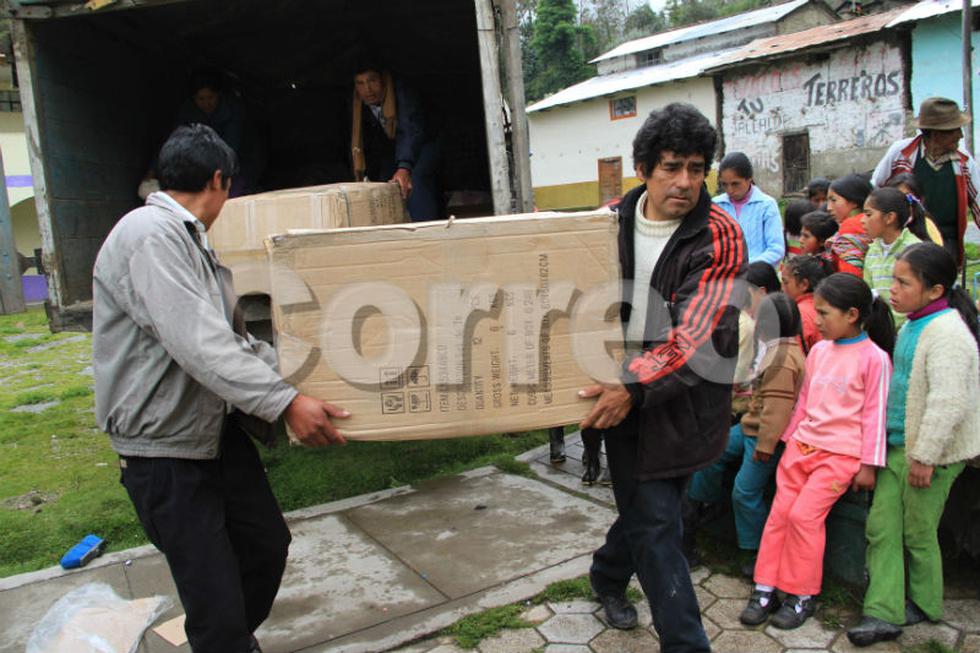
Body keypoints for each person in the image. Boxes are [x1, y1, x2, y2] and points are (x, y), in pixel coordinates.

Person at [93, 125, 349, 653]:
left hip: (211, 433)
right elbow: (201, 344)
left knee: (264, 546)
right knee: (214, 598)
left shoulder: (188, 240)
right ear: (219, 180)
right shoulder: (149, 235)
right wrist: (285, 403)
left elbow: (235, 341)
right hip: (164, 450)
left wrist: (308, 377)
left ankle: (228, 640)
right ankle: (225, 640)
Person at [578, 103, 746, 651]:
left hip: (679, 404)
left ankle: (619, 586)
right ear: (644, 168)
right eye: (672, 167)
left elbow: (697, 333)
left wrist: (636, 386)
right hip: (615, 394)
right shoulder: (606, 223)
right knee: (654, 520)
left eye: (697, 169)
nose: (685, 182)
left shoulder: (719, 235)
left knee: (655, 517)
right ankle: (624, 592)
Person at [740, 273, 894, 630]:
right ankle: (765, 587)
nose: (816, 320)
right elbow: (805, 401)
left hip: (839, 457)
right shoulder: (821, 351)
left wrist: (869, 465)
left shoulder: (874, 359)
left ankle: (801, 593)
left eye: (824, 313)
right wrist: (789, 440)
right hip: (801, 448)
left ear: (852, 314)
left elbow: (874, 414)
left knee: (804, 518)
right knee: (780, 514)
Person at [847, 243, 980, 647]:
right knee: (881, 526)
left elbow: (948, 402)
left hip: (931, 455)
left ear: (935, 290)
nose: (894, 290)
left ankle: (925, 603)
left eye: (904, 283)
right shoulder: (913, 324)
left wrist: (925, 457)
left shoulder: (948, 333)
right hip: (897, 447)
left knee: (918, 532)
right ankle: (883, 611)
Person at [689, 293, 806, 579]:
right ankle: (701, 509)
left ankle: (755, 550)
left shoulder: (782, 359)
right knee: (711, 455)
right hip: (749, 427)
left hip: (764, 436)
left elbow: (777, 412)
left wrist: (765, 446)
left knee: (745, 491)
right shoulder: (775, 348)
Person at [872, 97, 980, 265]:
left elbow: (978, 203)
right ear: (936, 133)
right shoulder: (901, 153)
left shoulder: (963, 162)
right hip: (903, 238)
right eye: (954, 130)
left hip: (946, 240)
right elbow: (876, 190)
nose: (960, 135)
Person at [350, 63, 441, 221]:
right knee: (385, 185)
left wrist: (404, 167)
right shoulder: (356, 104)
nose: (367, 89)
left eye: (372, 81)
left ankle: (425, 232)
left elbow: (410, 130)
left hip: (423, 144)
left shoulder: (401, 92)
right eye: (360, 83)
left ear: (383, 80)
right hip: (394, 152)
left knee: (414, 181)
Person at [862, 187, 925, 328]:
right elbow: (869, 293)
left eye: (868, 214)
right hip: (882, 331)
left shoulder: (914, 249)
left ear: (889, 217)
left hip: (910, 328)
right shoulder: (872, 250)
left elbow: (920, 296)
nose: (862, 220)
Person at [714, 152, 785, 266]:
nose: (730, 190)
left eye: (735, 184)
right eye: (724, 184)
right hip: (724, 275)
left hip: (756, 276)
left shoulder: (766, 205)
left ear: (749, 179)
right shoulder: (717, 205)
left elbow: (776, 249)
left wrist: (748, 267)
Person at [780, 255, 831, 351]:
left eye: (785, 282)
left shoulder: (797, 314)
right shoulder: (829, 307)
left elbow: (794, 358)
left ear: (804, 284)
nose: (782, 288)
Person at [826, 174, 873, 276]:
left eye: (834, 200)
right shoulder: (873, 222)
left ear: (854, 202)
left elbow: (850, 272)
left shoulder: (850, 226)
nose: (828, 208)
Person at [883, 173, 944, 246]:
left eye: (907, 197)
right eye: (896, 197)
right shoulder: (880, 223)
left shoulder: (927, 226)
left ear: (920, 200)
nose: (901, 203)